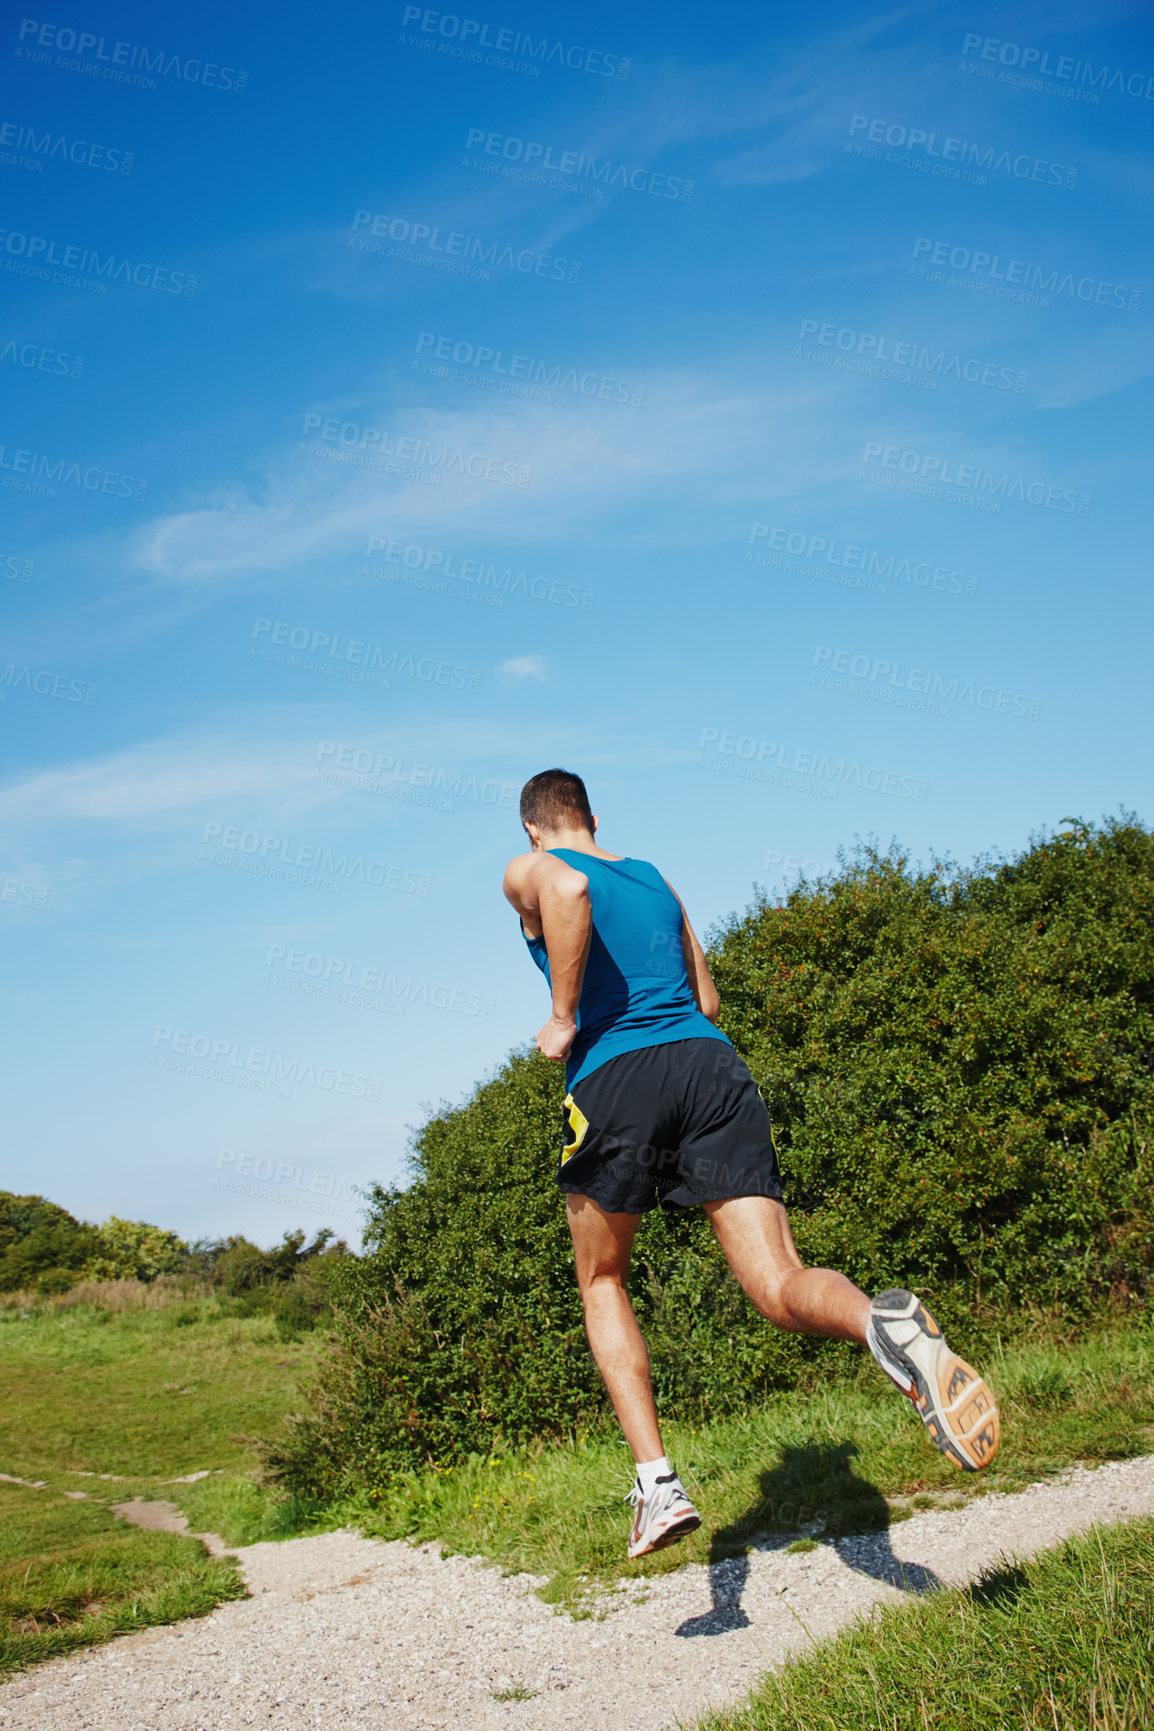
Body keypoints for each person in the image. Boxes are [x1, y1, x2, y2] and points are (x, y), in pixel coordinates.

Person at [502, 768, 1000, 1560]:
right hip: (711, 1066)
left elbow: (564, 892)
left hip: (617, 1074)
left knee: (602, 1278)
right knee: (777, 1284)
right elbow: (707, 999)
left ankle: (657, 1484)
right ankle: (883, 1322)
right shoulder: (655, 877)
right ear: (592, 814)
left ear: (534, 826)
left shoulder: (529, 865)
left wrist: (564, 1017)